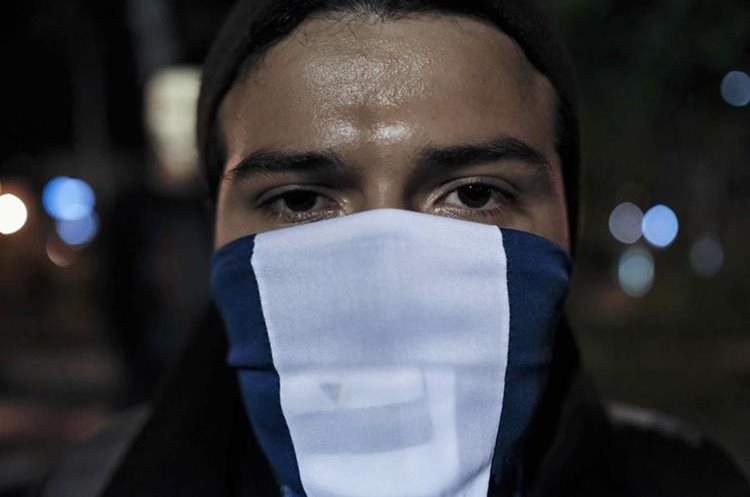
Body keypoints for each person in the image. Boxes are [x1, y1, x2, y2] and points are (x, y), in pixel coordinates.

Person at [42, 1, 750, 496]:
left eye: (473, 194)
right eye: (300, 199)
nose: (383, 277)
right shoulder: (90, 482)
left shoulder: (691, 480)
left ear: (569, 216)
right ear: (215, 227)